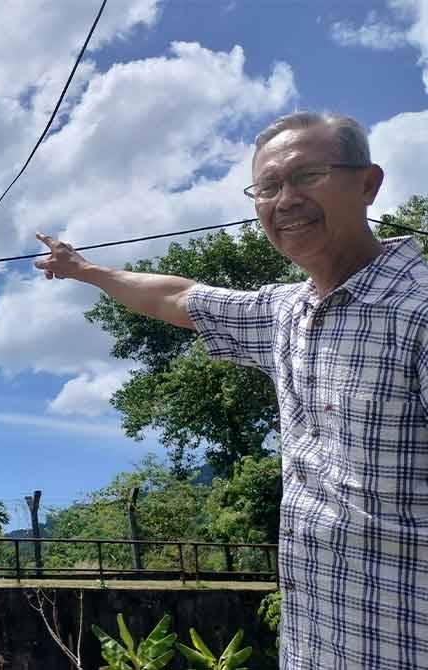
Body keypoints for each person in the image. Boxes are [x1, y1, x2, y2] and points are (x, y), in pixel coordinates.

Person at [35, 111, 428, 669]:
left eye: (308, 176)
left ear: (368, 184)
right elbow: (176, 297)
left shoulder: (418, 311)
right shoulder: (286, 312)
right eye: (267, 187)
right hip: (317, 647)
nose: (285, 200)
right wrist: (83, 270)